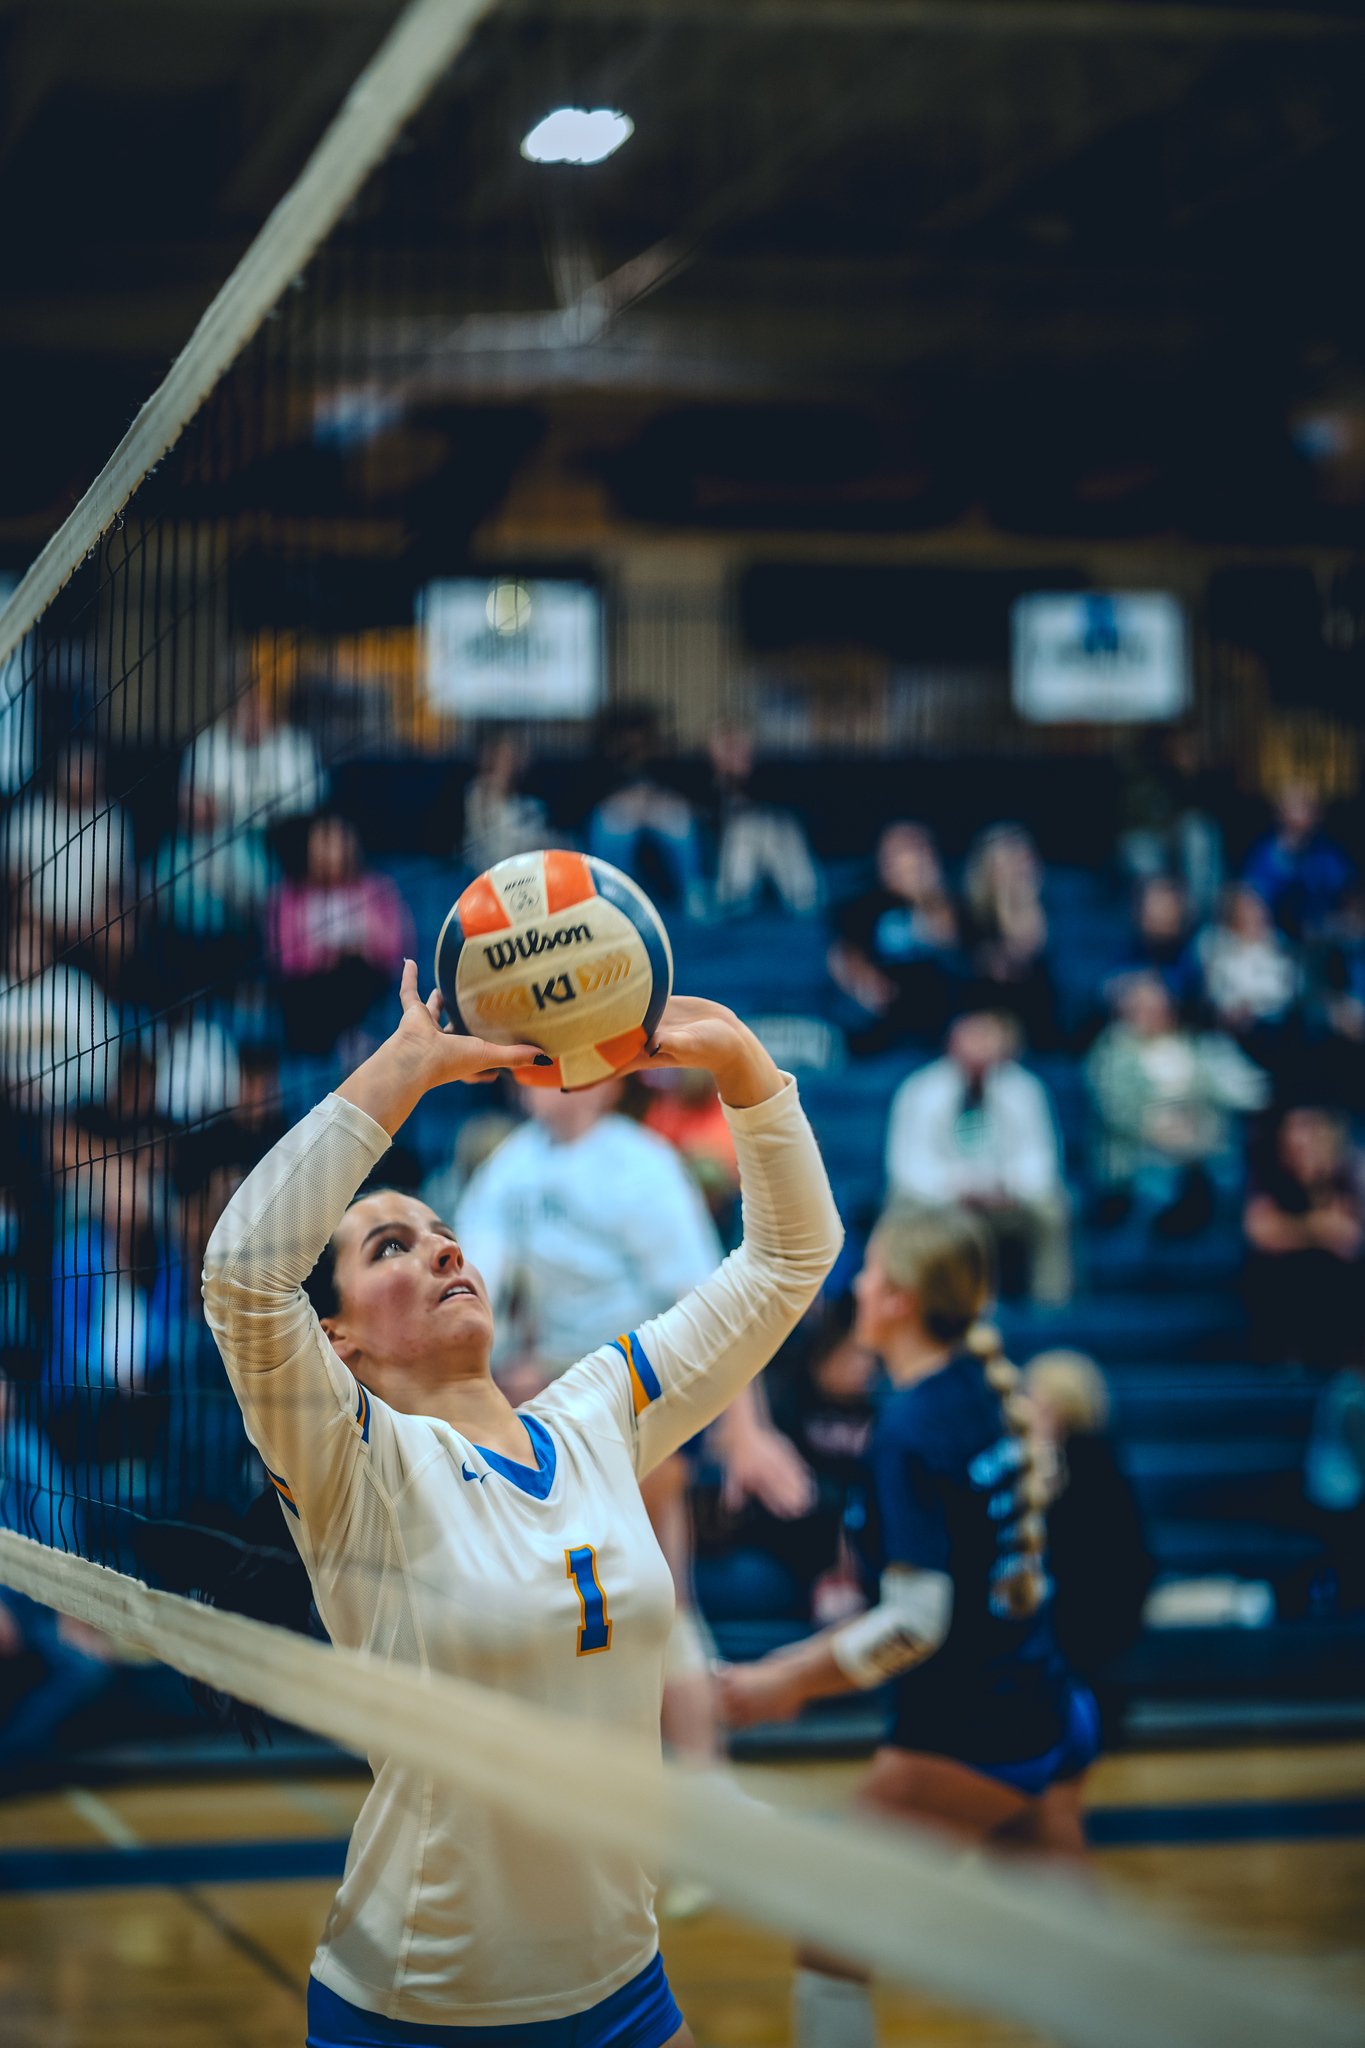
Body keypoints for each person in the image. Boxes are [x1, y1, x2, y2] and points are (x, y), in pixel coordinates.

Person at [202, 961, 843, 2043]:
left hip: (623, 1985)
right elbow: (240, 1276)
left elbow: (789, 1261)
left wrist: (746, 1069)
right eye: (391, 1247)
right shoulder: (355, 1463)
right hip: (420, 2007)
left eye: (438, 1230)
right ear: (335, 1338)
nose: (443, 1247)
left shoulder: (597, 1410)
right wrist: (405, 1069)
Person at [719, 1204, 1096, 2048]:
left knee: (831, 1944)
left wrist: (787, 1682)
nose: (856, 1284)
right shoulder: (981, 1388)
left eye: (870, 1271)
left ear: (897, 1300)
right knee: (1077, 1957)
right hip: (1045, 1705)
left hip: (969, 1735)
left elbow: (916, 1625)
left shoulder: (910, 1428)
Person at [884, 1012, 1071, 1304]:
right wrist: (959, 1188)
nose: (979, 1049)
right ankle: (903, 1305)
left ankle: (1051, 1311)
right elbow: (907, 1167)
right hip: (941, 1199)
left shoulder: (1025, 1088)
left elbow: (1040, 1162)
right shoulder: (920, 1088)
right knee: (899, 1207)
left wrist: (1005, 1187)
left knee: (1052, 1210)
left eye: (987, 1039)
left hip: (1006, 1199)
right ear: (952, 1044)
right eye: (972, 1038)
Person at [1022, 1351, 1154, 1742]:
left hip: (1088, 1603)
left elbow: (1080, 1549)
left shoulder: (1083, 1460)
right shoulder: (1090, 1455)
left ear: (1059, 1405)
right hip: (1082, 1598)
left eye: (1034, 1395)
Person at [1086, 972, 1268, 1236]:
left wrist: (1199, 1132)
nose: (1150, 1014)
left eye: (1156, 1005)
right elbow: (1117, 1111)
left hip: (1200, 1140)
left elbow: (1224, 1094)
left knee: (1232, 1167)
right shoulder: (1111, 1052)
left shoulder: (1194, 1045)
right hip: (1140, 1148)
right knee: (1162, 1180)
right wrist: (1160, 1132)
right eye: (1140, 1007)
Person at [266, 813, 414, 1056]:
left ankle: (354, 1041)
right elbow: (283, 958)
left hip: (361, 982)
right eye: (323, 842)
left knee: (353, 971)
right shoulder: (289, 896)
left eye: (337, 842)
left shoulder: (375, 889)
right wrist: (324, 954)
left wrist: (362, 947)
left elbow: (397, 948)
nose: (331, 852)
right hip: (308, 991)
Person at [1243, 1106, 1365, 1367]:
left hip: (1342, 1281)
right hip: (1284, 1281)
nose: (1301, 1139)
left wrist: (1292, 1229)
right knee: (1286, 1273)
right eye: (1294, 1129)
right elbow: (1261, 1233)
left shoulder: (1353, 1170)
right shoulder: (1269, 1170)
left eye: (1311, 1129)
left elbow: (1349, 1237)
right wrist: (1318, 1227)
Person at [828, 822, 961, 1055]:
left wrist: (925, 900)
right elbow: (845, 959)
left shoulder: (953, 903)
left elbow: (956, 947)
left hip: (945, 1021)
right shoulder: (861, 907)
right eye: (893, 854)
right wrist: (864, 981)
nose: (906, 864)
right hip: (883, 1024)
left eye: (916, 851)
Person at [703, 724, 821, 917]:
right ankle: (737, 896)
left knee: (777, 827)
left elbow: (794, 811)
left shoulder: (769, 779)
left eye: (742, 749)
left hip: (773, 842)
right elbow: (711, 821)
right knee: (745, 829)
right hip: (730, 851)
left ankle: (801, 895)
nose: (737, 755)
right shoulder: (707, 786)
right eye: (730, 749)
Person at [961, 823, 1057, 1048]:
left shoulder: (1058, 911)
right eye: (1005, 863)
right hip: (988, 1034)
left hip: (1048, 1031)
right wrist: (1007, 905)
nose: (1016, 871)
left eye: (1022, 861)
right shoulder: (969, 919)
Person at [1242, 784, 1353, 941]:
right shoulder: (1263, 855)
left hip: (1323, 940)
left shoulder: (1328, 855)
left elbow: (1346, 898)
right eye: (1299, 806)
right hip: (1273, 939)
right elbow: (1251, 902)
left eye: (1311, 807)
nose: (1307, 813)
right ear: (1280, 812)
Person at [461, 734, 552, 871]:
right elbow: (496, 850)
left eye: (515, 755)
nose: (512, 762)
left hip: (527, 869)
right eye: (505, 756)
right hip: (488, 870)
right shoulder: (480, 792)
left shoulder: (531, 804)